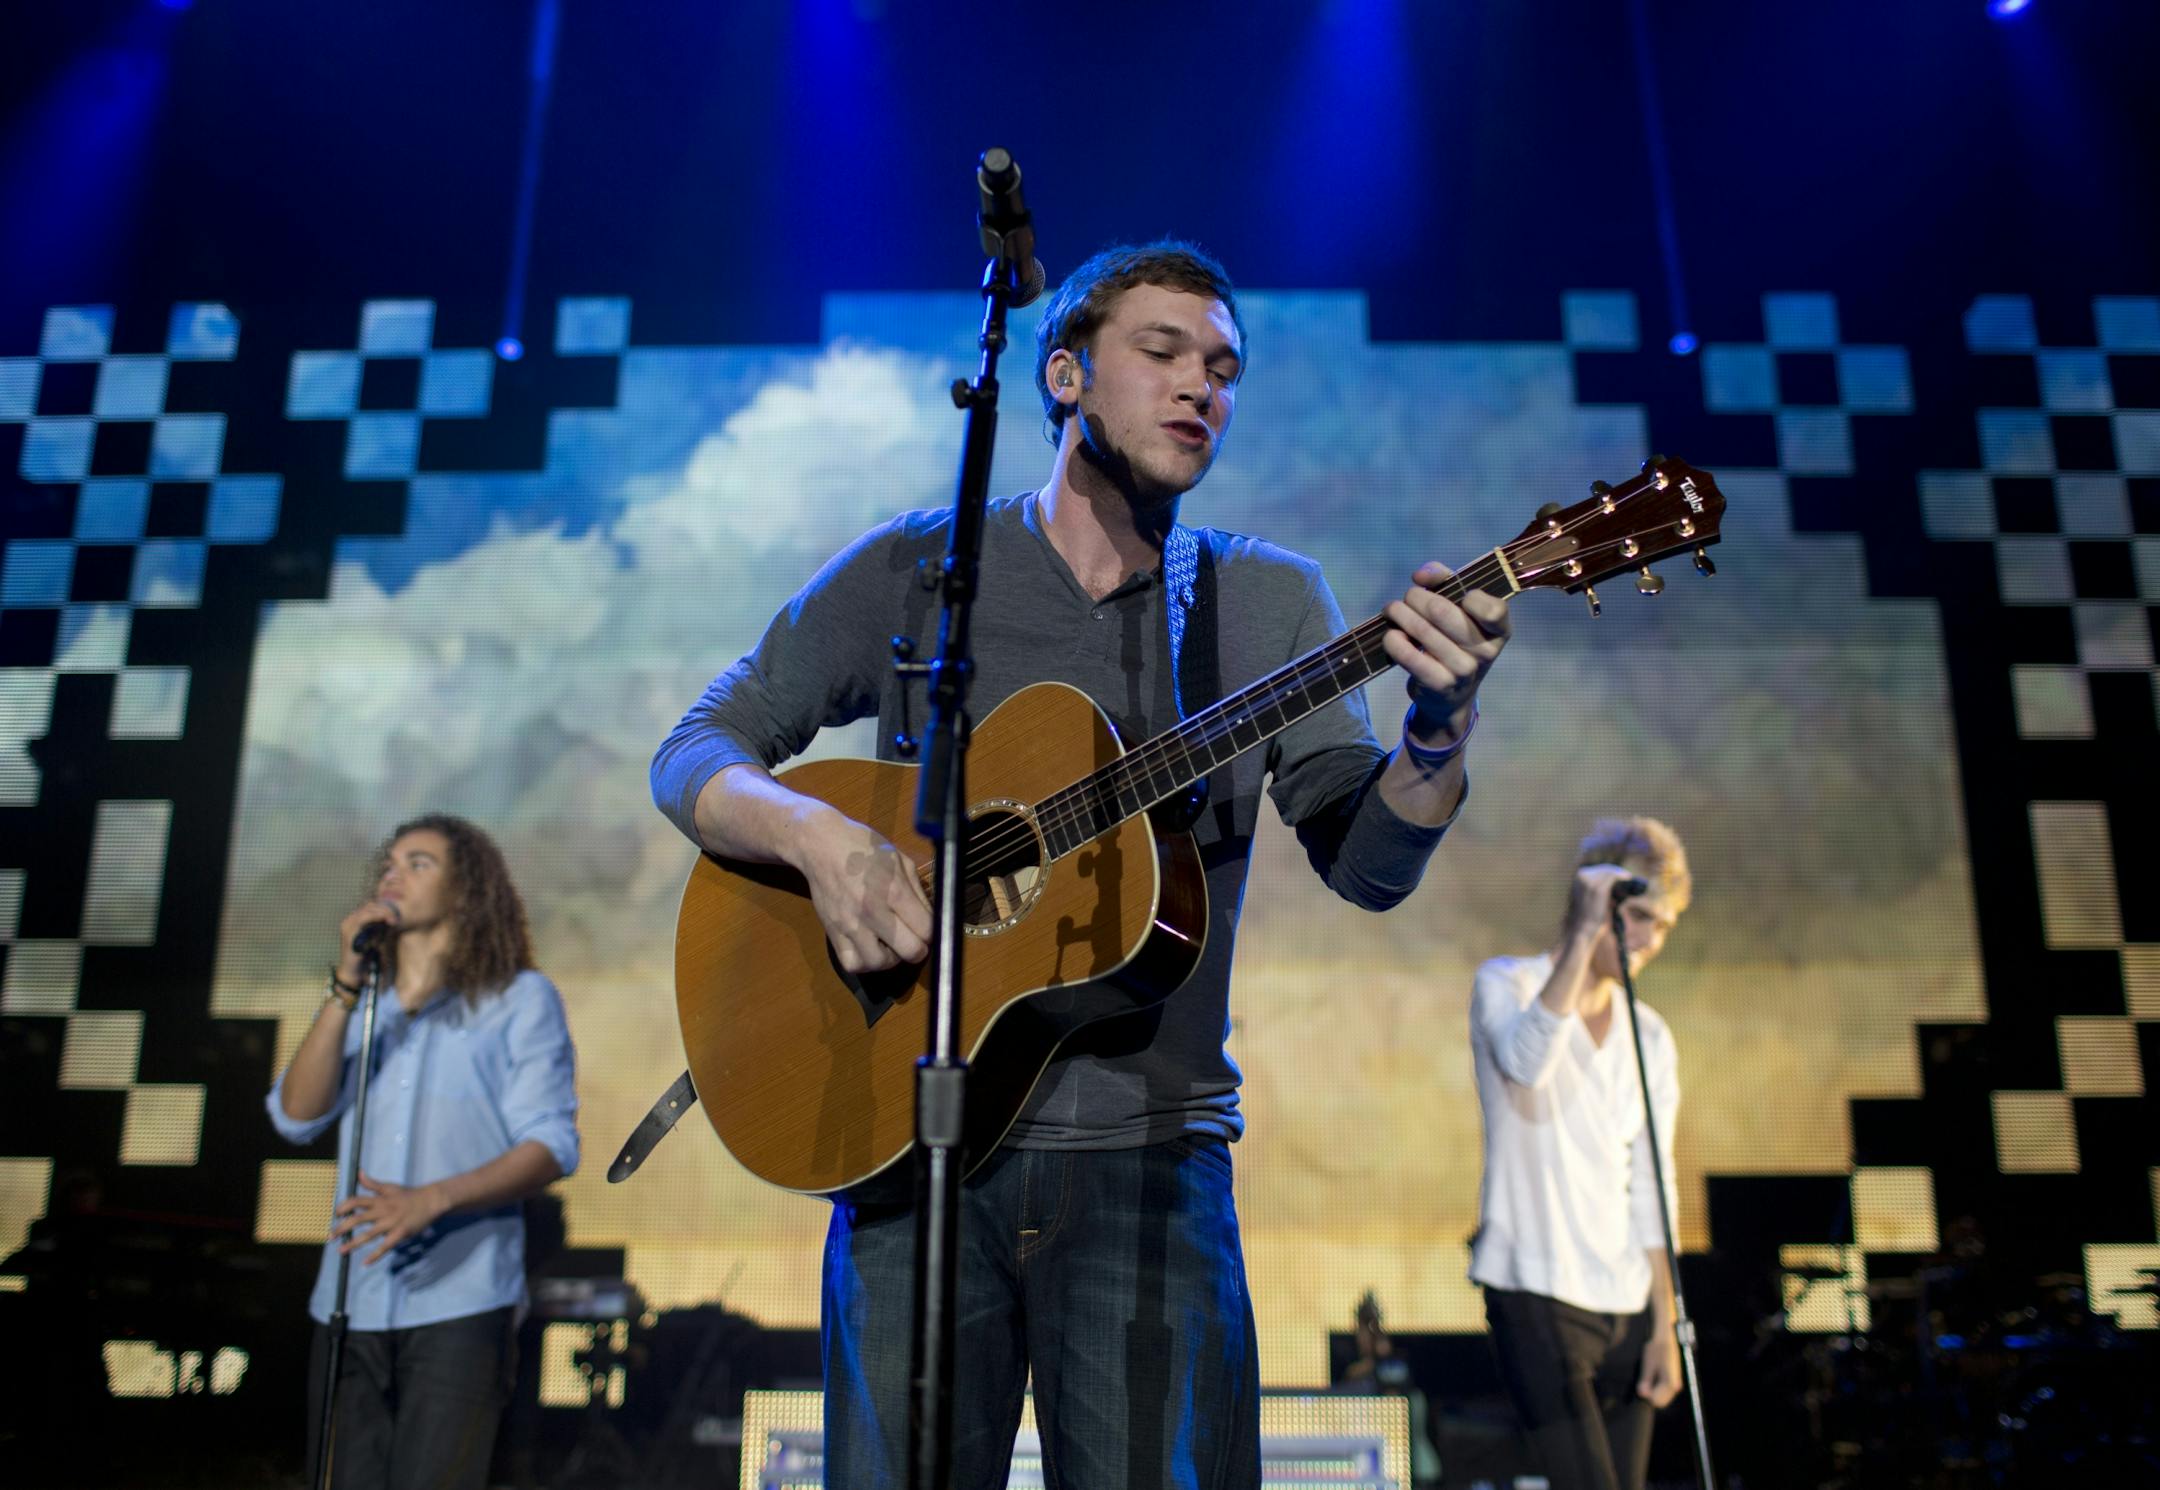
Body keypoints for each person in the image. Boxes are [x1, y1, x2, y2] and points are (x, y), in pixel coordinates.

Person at [651, 239, 1513, 1487]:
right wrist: (824, 838)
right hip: (918, 1154)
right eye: (1161, 353)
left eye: (1223, 368)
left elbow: (1369, 864)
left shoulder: (1267, 600)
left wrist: (1438, 728)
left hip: (1153, 1169)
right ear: (1062, 375)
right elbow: (698, 746)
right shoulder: (918, 567)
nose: (1199, 388)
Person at [266, 814, 580, 1490]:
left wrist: (433, 1199)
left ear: (466, 890)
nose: (391, 874)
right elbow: (294, 1117)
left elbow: (552, 1144)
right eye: (388, 864)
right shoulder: (362, 1007)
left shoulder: (517, 1000)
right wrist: (346, 987)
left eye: (418, 863)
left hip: (458, 1302)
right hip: (348, 1302)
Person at [1467, 816, 1691, 1490]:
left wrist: (1665, 1324)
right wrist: (1586, 929)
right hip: (1535, 1293)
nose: (1652, 940)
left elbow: (1654, 1183)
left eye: (1666, 925)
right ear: (1598, 900)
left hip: (1626, 1306)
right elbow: (1528, 1064)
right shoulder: (1506, 985)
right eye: (1643, 916)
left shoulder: (1649, 1035)